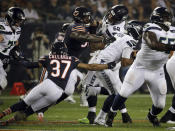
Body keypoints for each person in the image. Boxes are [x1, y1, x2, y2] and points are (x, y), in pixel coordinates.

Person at [0, 41, 116, 126]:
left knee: (23, 104)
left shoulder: (48, 57)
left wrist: (19, 59)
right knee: (30, 111)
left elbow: (30, 65)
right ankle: (7, 123)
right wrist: (107, 65)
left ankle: (2, 115)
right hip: (58, 93)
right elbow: (91, 66)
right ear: (65, 50)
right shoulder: (72, 60)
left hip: (48, 83)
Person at [105, 7, 175, 127]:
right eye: (165, 17)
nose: (168, 19)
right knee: (124, 93)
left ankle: (151, 116)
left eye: (168, 17)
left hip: (157, 71)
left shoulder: (173, 30)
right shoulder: (150, 27)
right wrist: (171, 47)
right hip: (140, 68)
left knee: (160, 105)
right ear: (157, 17)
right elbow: (153, 44)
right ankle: (111, 114)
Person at [79, 5, 132, 124]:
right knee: (115, 88)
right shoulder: (109, 21)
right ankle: (122, 114)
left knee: (92, 88)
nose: (110, 17)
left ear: (120, 19)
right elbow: (101, 25)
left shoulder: (116, 31)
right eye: (110, 14)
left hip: (107, 61)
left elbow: (98, 45)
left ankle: (94, 116)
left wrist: (90, 36)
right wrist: (93, 24)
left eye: (113, 17)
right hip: (103, 57)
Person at [0, 7, 25, 94]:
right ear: (11, 18)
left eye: (20, 20)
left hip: (4, 58)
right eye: (17, 20)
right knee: (2, 82)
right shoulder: (2, 27)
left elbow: (15, 42)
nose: (19, 23)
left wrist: (16, 51)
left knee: (2, 82)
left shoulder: (18, 30)